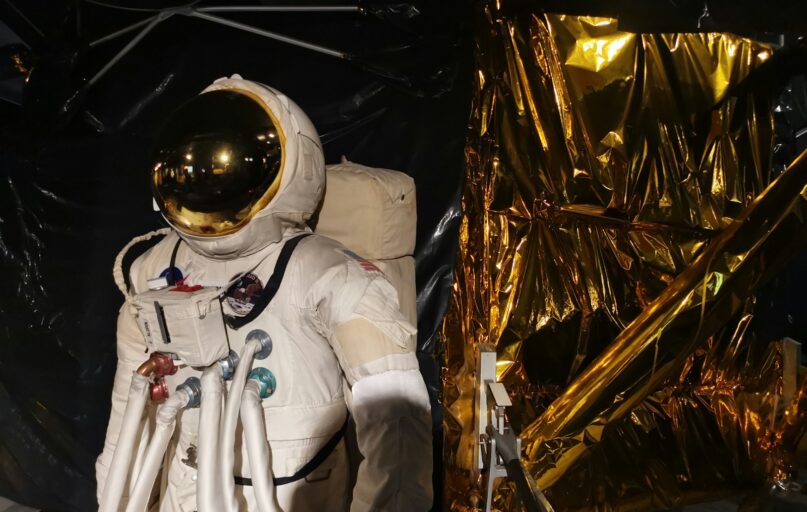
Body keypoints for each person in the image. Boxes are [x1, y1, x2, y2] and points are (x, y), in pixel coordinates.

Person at [96, 76, 433, 511]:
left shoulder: (326, 273)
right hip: (187, 484)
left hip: (285, 492)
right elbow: (129, 409)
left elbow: (396, 432)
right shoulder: (156, 267)